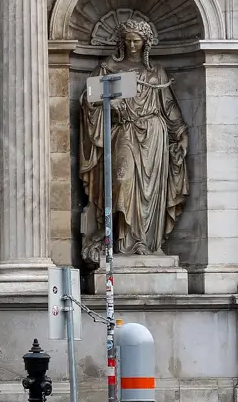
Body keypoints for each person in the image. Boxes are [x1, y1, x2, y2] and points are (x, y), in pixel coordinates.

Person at [79, 16, 189, 261]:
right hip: (125, 132)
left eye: (137, 41)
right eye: (128, 40)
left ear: (146, 43)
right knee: (124, 183)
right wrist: (110, 102)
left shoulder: (156, 72)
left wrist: (180, 134)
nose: (132, 46)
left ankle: (148, 244)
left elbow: (168, 106)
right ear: (121, 42)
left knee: (150, 191)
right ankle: (122, 243)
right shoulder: (109, 69)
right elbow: (88, 99)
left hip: (154, 134)